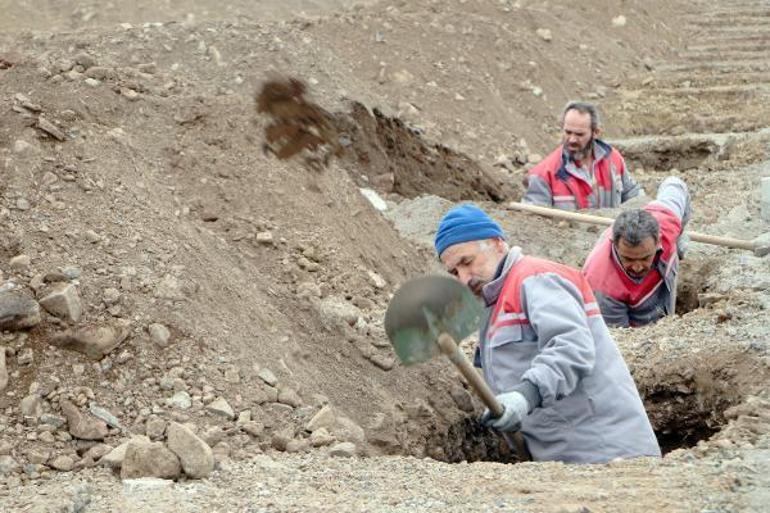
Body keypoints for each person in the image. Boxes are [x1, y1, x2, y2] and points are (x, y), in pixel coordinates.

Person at [434, 204, 661, 463]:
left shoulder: (536, 278)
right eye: (454, 272)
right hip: (564, 458)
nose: (464, 278)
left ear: (497, 243)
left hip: (606, 452)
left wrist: (525, 396)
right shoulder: (495, 302)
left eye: (467, 262)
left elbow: (571, 347)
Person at [582, 176, 691, 328]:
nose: (638, 266)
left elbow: (674, 184)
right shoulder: (603, 288)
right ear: (614, 244)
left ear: (659, 240)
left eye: (646, 257)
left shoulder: (667, 225)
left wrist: (678, 242)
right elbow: (622, 342)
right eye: (628, 259)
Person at [523, 101, 640, 210]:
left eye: (579, 134)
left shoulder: (613, 160)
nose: (572, 139)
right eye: (568, 132)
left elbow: (635, 198)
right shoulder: (543, 175)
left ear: (595, 133)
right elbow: (535, 223)